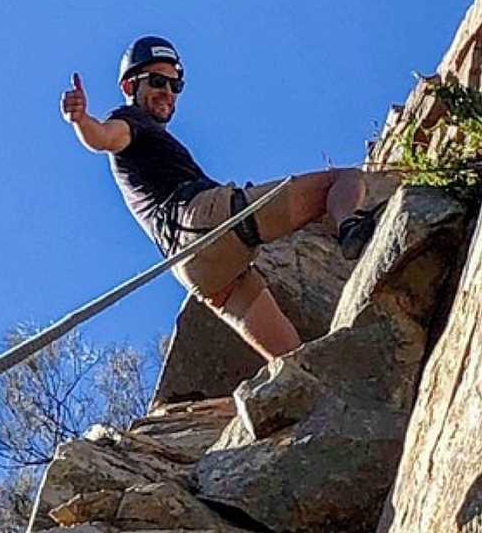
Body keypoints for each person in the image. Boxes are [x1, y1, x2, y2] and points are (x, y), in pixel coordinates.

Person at [59, 36, 378, 361]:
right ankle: (351, 227)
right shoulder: (130, 121)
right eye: (157, 81)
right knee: (345, 179)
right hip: (203, 218)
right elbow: (104, 138)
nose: (168, 92)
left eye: (175, 85)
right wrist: (82, 121)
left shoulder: (148, 140)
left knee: (294, 360)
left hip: (196, 268)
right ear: (129, 85)